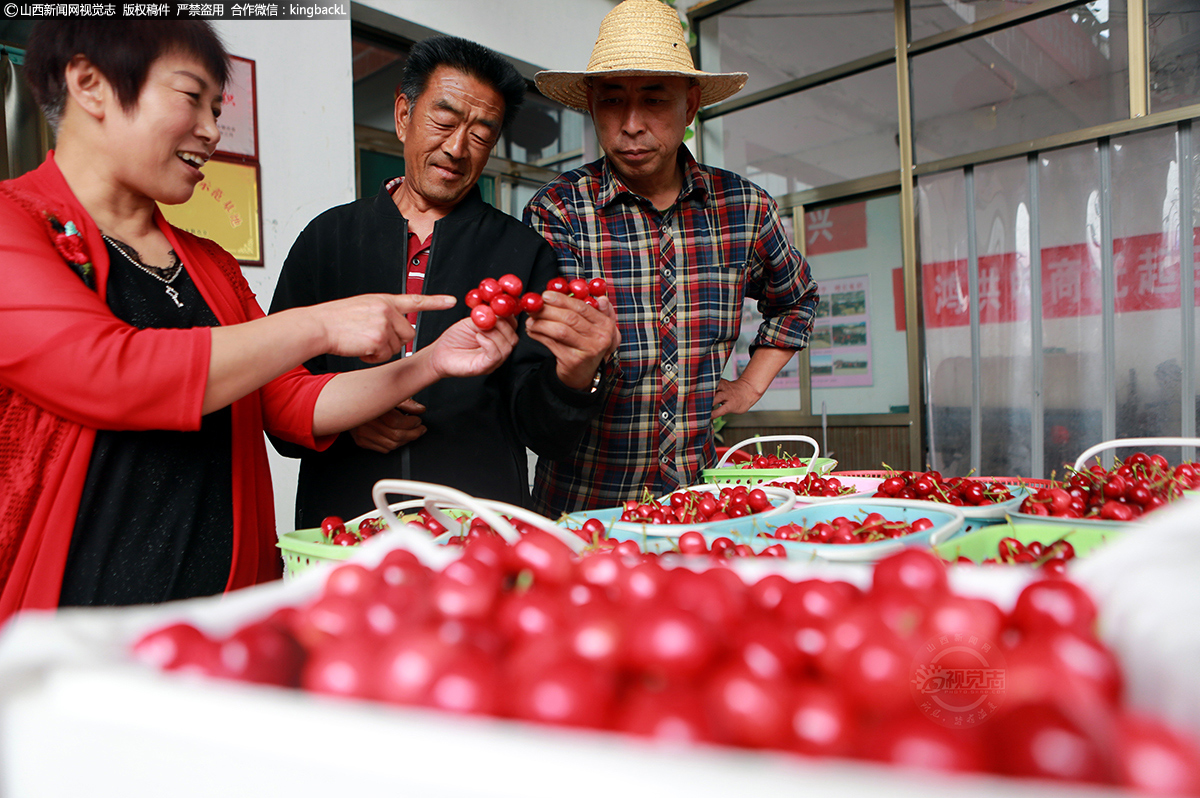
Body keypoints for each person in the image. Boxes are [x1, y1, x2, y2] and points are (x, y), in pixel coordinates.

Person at [0, 21, 517, 621]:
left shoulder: (208, 264)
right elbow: (110, 371)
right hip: (74, 621)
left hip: (226, 609)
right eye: (192, 99)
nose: (211, 131)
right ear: (90, 84)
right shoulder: (17, 226)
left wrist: (431, 363)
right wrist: (320, 326)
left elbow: (290, 399)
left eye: (216, 109)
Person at [269, 36, 618, 529]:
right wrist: (344, 418)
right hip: (342, 527)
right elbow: (276, 400)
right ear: (402, 115)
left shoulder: (522, 252)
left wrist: (579, 373)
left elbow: (546, 434)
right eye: (444, 120)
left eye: (480, 133)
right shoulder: (328, 239)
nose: (457, 148)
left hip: (477, 530)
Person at [526, 0, 820, 516]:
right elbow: (536, 363)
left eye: (655, 101)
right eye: (613, 101)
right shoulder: (559, 211)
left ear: (689, 106)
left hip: (697, 501)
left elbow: (796, 299)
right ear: (591, 106)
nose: (632, 124)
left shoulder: (742, 208)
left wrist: (751, 383)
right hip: (583, 503)